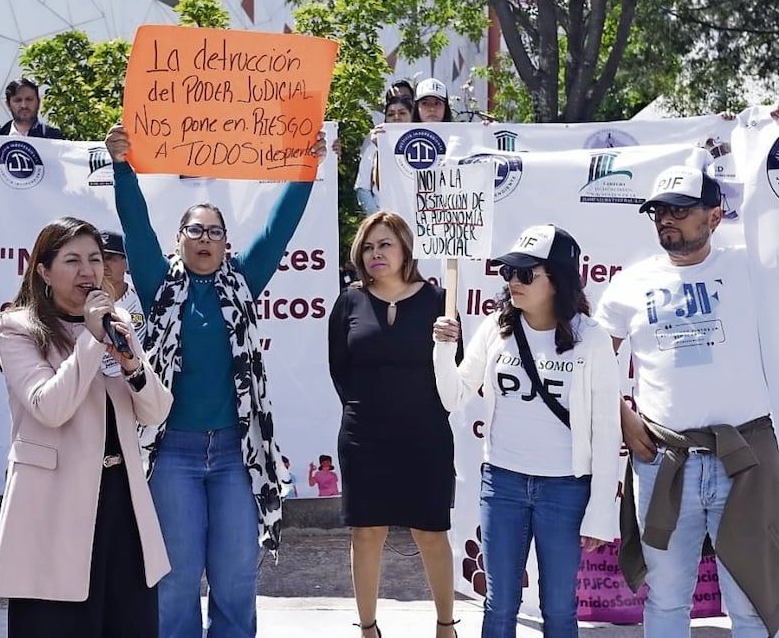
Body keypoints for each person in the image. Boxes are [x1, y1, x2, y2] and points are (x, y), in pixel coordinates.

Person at [105, 124, 327, 637]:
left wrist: (306, 168)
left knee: (235, 582)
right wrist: (122, 165)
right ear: (178, 239)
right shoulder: (157, 283)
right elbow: (134, 224)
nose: (204, 240)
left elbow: (279, 228)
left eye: (214, 232)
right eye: (194, 231)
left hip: (236, 455)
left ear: (227, 244)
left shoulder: (243, 280)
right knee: (176, 583)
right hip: (173, 454)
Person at [595, 166, 779, 637]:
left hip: (746, 458)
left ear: (715, 217)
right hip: (664, 460)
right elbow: (590, 362)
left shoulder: (753, 267)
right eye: (658, 211)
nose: (666, 219)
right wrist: (622, 418)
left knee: (753, 600)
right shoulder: (629, 284)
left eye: (680, 208)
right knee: (667, 600)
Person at [432, 224, 621, 637]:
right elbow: (453, 396)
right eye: (508, 273)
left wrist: (601, 512)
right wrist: (443, 347)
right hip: (502, 483)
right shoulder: (496, 326)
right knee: (499, 606)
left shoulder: (592, 339)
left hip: (566, 489)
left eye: (526, 273)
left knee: (558, 609)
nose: (513, 281)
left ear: (558, 278)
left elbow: (607, 432)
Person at [0, 217, 172, 636]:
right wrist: (91, 339)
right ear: (44, 271)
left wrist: (132, 365)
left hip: (122, 504)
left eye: (95, 259)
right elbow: (50, 407)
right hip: (53, 511)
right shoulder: (16, 328)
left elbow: (157, 411)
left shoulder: (118, 321)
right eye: (72, 260)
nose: (88, 271)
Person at [328, 211, 459, 638]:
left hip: (425, 435)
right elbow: (339, 370)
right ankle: (368, 629)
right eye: (367, 246)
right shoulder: (348, 301)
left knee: (431, 533)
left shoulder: (441, 302)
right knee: (366, 534)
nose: (375, 253)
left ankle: (445, 626)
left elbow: (454, 374)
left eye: (384, 244)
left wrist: (450, 342)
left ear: (406, 248)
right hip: (364, 436)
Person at [0, 77, 66, 194]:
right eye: (18, 100)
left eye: (29, 99)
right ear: (8, 104)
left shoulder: (55, 138)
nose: (24, 105)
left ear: (39, 102)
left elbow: (65, 183)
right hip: (6, 211)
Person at [354, 93, 417, 215]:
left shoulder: (423, 146)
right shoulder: (374, 146)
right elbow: (362, 188)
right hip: (385, 221)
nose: (396, 117)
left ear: (411, 116)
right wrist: (377, 217)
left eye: (402, 113)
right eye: (391, 114)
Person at [99, 230, 145, 377]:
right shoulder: (82, 303)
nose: (104, 265)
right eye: (98, 259)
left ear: (127, 262)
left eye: (111, 258)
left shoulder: (144, 298)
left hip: (140, 383)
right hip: (97, 388)